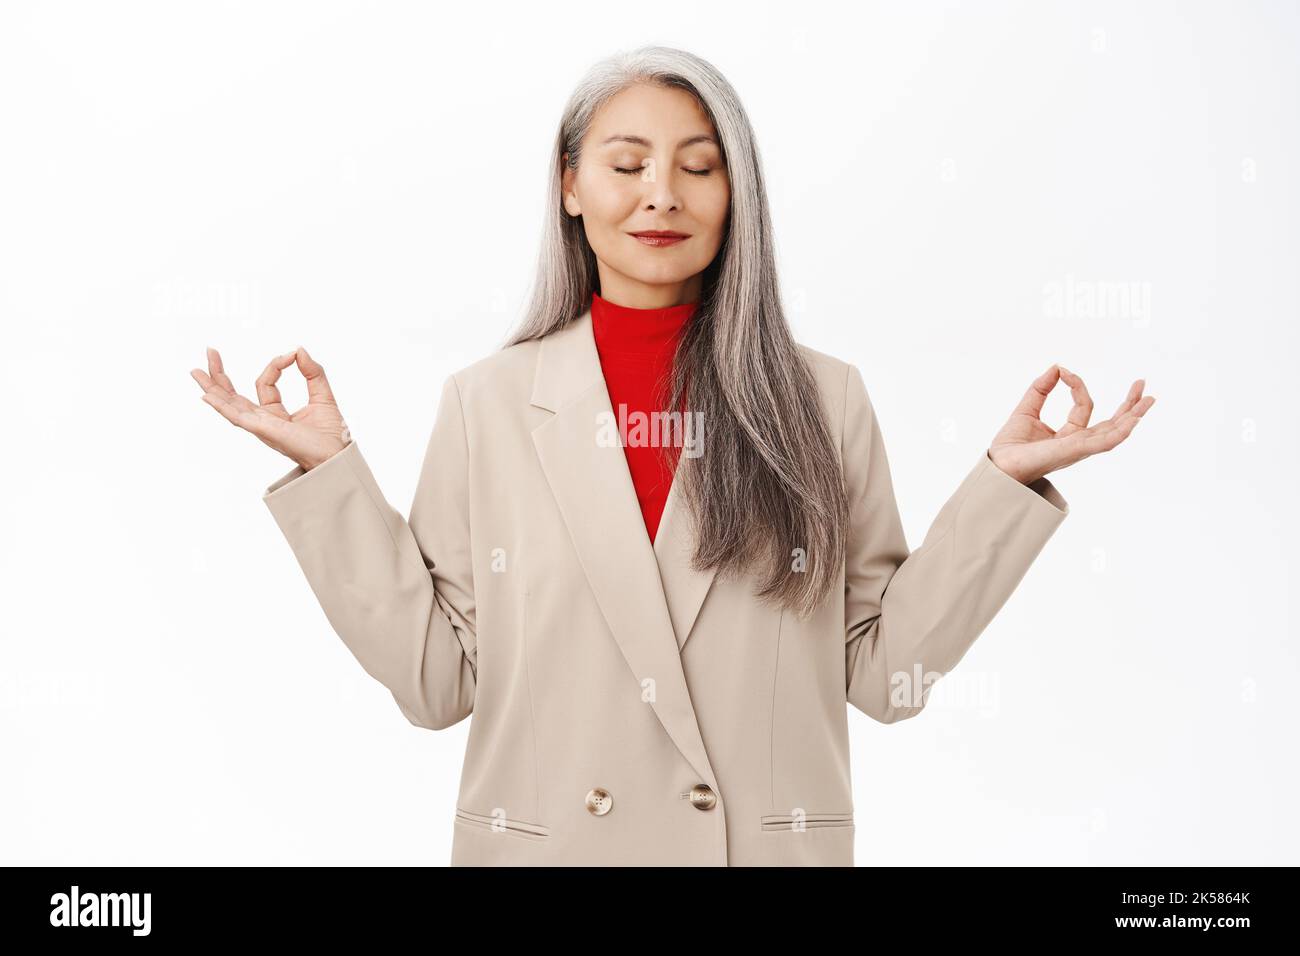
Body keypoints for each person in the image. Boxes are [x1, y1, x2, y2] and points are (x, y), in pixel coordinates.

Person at [190, 46, 1154, 866]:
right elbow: (440, 682)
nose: (663, 194)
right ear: (569, 186)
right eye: (627, 163)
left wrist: (1007, 488)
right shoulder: (486, 404)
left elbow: (882, 674)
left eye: (700, 165)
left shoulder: (822, 402)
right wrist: (331, 480)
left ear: (738, 195)